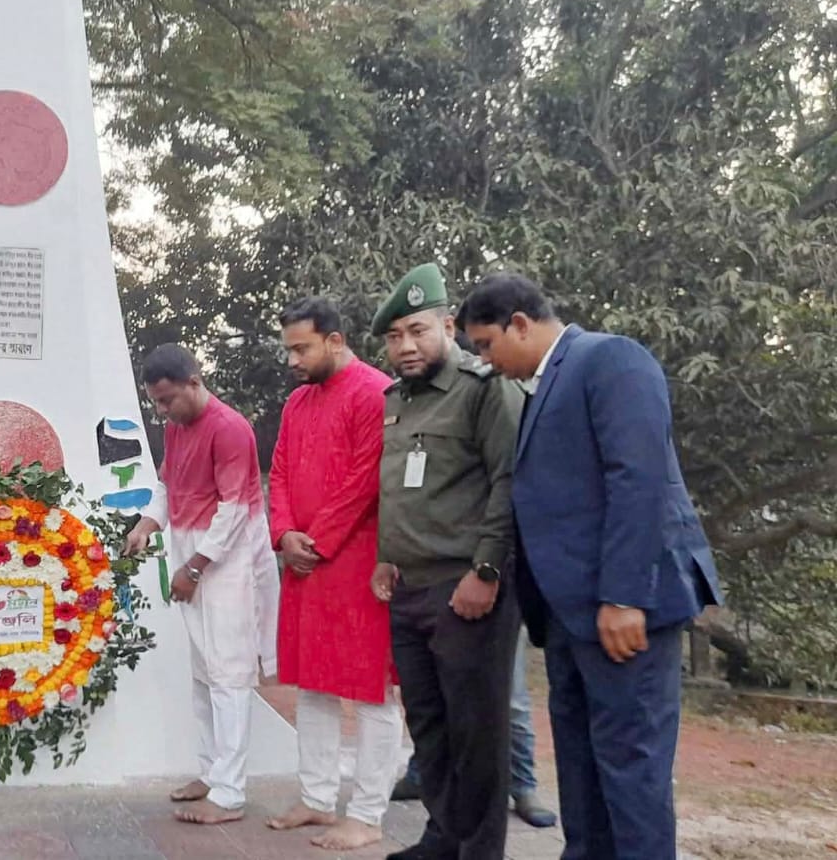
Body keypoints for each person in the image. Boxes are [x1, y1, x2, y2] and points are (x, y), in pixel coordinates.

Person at [458, 273, 722, 860]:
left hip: (624, 610)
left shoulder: (610, 360)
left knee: (631, 772)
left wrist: (625, 597)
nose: (485, 360)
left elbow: (638, 480)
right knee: (581, 767)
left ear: (520, 323)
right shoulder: (544, 382)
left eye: (485, 344)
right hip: (571, 619)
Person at [368, 263, 523, 860]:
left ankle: (480, 851)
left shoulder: (485, 388)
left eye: (417, 331)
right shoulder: (396, 401)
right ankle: (443, 837)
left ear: (448, 325)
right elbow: (402, 488)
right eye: (394, 336)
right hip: (410, 590)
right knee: (429, 725)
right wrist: (387, 556)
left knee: (476, 732)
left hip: (466, 590)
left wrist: (486, 572)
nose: (405, 346)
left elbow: (508, 482)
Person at [263, 299, 401, 850]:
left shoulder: (377, 392)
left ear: (337, 340)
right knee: (313, 685)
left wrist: (312, 542)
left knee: (372, 691)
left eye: (303, 348)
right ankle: (318, 800)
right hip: (305, 564)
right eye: (289, 349)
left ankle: (367, 813)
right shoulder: (297, 402)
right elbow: (278, 472)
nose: (294, 359)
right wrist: (284, 534)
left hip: (359, 564)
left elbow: (366, 480)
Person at [124, 344, 281, 826]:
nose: (162, 410)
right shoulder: (175, 428)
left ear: (195, 382)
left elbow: (233, 512)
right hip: (192, 555)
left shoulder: (230, 428)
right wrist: (147, 525)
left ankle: (231, 794)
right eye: (155, 402)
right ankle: (212, 774)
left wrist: (193, 568)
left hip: (228, 562)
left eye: (168, 399)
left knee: (230, 673)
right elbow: (167, 485)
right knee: (201, 669)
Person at [392, 628, 559, 829]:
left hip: (497, 607)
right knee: (431, 689)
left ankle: (524, 786)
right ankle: (420, 772)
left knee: (510, 699)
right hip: (431, 602)